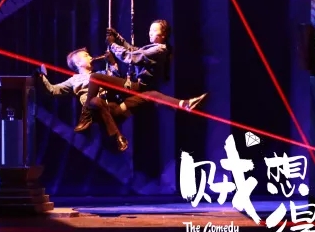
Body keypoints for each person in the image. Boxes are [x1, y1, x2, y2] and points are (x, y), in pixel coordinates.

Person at [85, 19, 206, 152]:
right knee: (143, 99)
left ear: (163, 35)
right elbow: (134, 50)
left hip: (137, 87)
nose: (150, 33)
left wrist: (112, 45)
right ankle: (184, 104)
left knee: (98, 83)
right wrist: (118, 38)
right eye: (149, 30)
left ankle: (87, 116)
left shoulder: (158, 50)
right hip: (132, 95)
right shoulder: (155, 48)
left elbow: (130, 56)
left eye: (154, 30)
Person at [35, 49, 95, 133]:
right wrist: (41, 76)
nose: (91, 57)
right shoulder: (74, 80)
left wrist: (111, 62)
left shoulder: (101, 73)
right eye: (86, 56)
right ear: (78, 63)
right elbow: (53, 90)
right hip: (92, 106)